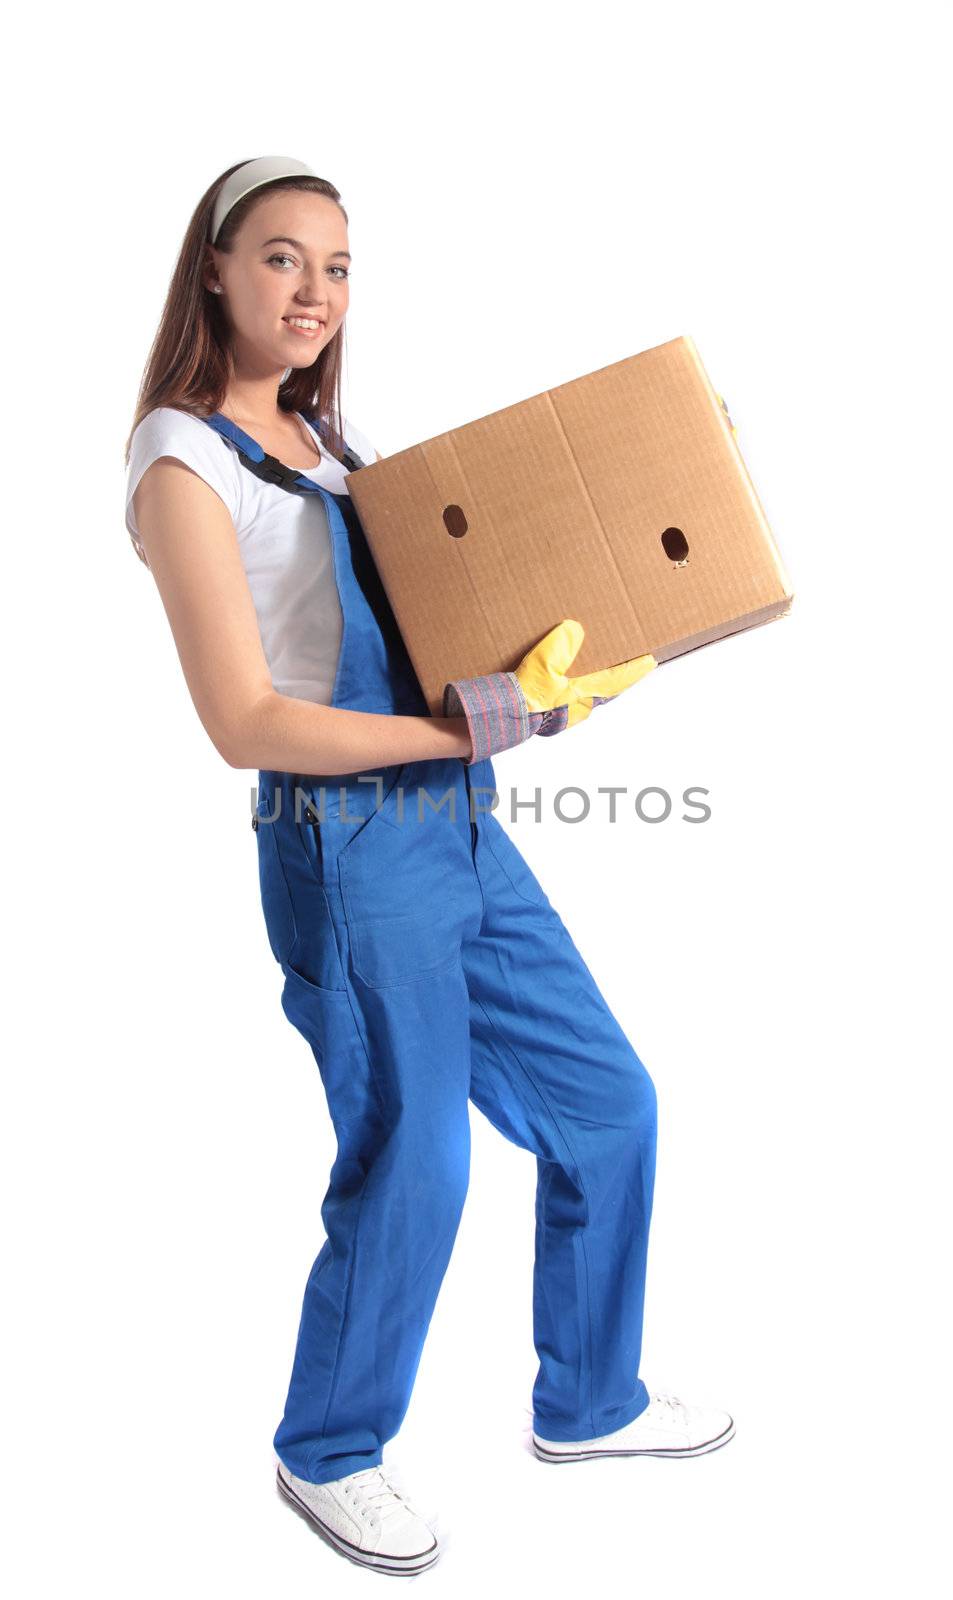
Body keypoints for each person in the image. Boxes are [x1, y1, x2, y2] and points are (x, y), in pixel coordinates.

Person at [124, 155, 734, 1577]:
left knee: (608, 1104)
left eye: (336, 269)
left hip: (457, 823)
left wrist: (552, 662)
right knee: (418, 1161)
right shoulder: (183, 464)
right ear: (215, 270)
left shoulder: (340, 445)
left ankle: (589, 1400)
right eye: (281, 260)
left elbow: (442, 612)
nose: (313, 295)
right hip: (341, 847)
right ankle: (326, 1450)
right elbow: (243, 722)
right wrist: (455, 725)